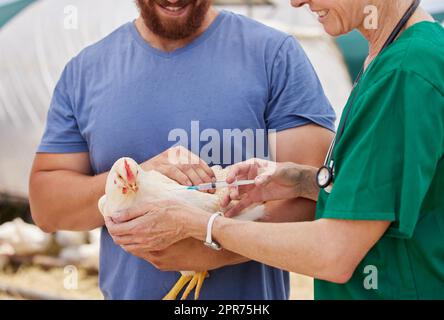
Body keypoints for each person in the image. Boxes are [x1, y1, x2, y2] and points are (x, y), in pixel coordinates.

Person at [109, 0, 444, 299]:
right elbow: (388, 197)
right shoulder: (402, 55)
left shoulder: (404, 73)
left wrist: (201, 226)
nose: (297, 2)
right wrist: (302, 181)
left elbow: (335, 254)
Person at [29, 0, 336, 299]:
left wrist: (215, 248)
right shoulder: (85, 72)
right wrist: (139, 177)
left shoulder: (275, 56)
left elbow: (316, 196)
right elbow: (47, 209)